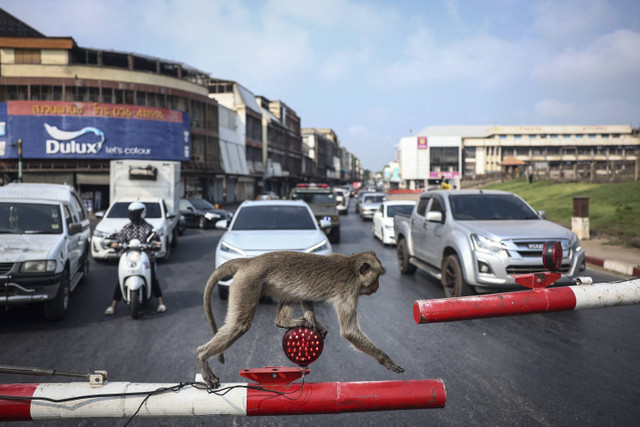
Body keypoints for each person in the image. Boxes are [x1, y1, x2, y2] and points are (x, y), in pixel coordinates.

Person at [104, 201, 166, 315]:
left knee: (153, 278)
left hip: (146, 257)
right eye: (132, 213)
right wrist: (115, 244)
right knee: (120, 279)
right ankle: (113, 305)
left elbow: (156, 240)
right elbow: (119, 240)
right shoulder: (126, 228)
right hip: (129, 257)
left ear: (142, 213)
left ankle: (160, 302)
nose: (133, 215)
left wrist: (156, 244)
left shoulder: (149, 228)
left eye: (136, 213)